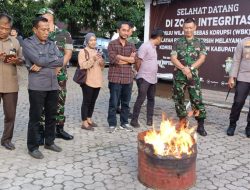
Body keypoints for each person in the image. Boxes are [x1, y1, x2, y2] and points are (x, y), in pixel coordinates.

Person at [23, 16, 63, 159]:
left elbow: (61, 60)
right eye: (43, 30)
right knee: (35, 117)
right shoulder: (28, 43)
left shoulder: (51, 43)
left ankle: (49, 142)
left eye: (48, 29)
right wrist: (49, 60)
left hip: (52, 85)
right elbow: (41, 59)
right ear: (35, 29)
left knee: (51, 116)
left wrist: (42, 63)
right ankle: (32, 147)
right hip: (37, 87)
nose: (46, 32)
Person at [37, 8, 74, 140]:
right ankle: (41, 131)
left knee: (60, 101)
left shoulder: (65, 34)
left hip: (60, 76)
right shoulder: (38, 33)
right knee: (41, 101)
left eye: (42, 15)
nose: (40, 18)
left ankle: (59, 129)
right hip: (42, 75)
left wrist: (57, 68)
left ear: (50, 17)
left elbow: (68, 54)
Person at [170, 18, 207, 136]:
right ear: (183, 28)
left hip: (193, 77)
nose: (188, 30)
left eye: (191, 28)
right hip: (179, 76)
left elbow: (202, 58)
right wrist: (183, 69)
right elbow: (173, 58)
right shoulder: (177, 42)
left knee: (196, 100)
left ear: (195, 28)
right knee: (179, 99)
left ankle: (200, 126)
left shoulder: (200, 42)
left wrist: (190, 69)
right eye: (186, 28)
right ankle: (182, 123)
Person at [130, 29, 164, 128]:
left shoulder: (153, 47)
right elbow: (138, 61)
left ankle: (149, 120)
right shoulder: (145, 46)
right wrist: (137, 73)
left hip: (152, 78)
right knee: (141, 98)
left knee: (151, 99)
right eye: (161, 38)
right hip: (144, 77)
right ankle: (134, 120)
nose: (161, 40)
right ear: (158, 37)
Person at [107, 21, 136, 133]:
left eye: (127, 30)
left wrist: (121, 57)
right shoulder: (112, 44)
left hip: (128, 78)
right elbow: (114, 60)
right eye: (123, 30)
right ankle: (112, 124)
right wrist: (127, 59)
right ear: (118, 30)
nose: (125, 32)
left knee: (126, 103)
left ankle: (124, 123)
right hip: (115, 78)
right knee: (113, 103)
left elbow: (133, 60)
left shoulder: (131, 45)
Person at [0, 13, 23, 150]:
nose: (3, 31)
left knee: (10, 114)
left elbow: (22, 59)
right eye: (1, 28)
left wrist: (17, 60)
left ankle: (6, 139)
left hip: (11, 83)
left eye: (6, 28)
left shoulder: (15, 42)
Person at [78, 33, 104, 131]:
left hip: (97, 81)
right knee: (86, 102)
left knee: (93, 101)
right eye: (91, 40)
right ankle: (84, 122)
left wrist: (102, 62)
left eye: (94, 40)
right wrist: (93, 59)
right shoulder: (83, 51)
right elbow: (83, 66)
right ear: (87, 41)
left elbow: (101, 68)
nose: (93, 42)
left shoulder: (97, 51)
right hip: (88, 81)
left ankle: (89, 119)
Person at [227, 37, 250, 138]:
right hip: (243, 76)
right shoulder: (243, 42)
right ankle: (232, 124)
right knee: (238, 101)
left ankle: (249, 127)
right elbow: (236, 60)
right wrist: (232, 77)